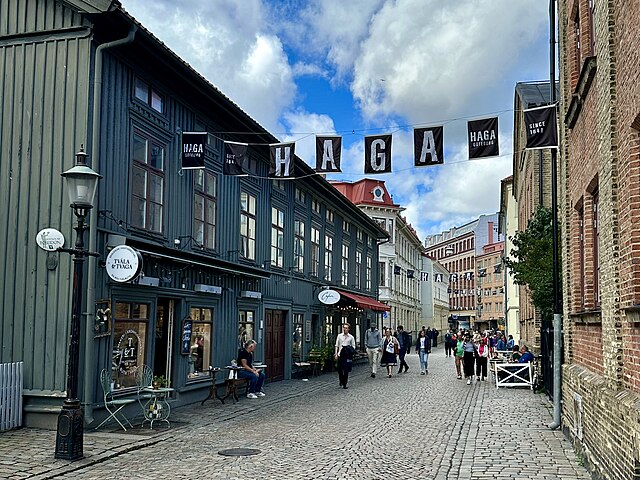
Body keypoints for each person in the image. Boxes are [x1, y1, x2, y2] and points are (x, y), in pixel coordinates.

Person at [334, 323, 356, 389]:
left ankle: (345, 384)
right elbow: (336, 345)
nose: (345, 329)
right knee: (340, 370)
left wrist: (350, 349)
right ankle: (341, 380)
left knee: (346, 370)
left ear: (348, 329)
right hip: (340, 354)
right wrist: (336, 353)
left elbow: (353, 346)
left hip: (347, 355)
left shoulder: (351, 337)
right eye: (344, 328)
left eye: (346, 328)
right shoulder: (339, 336)